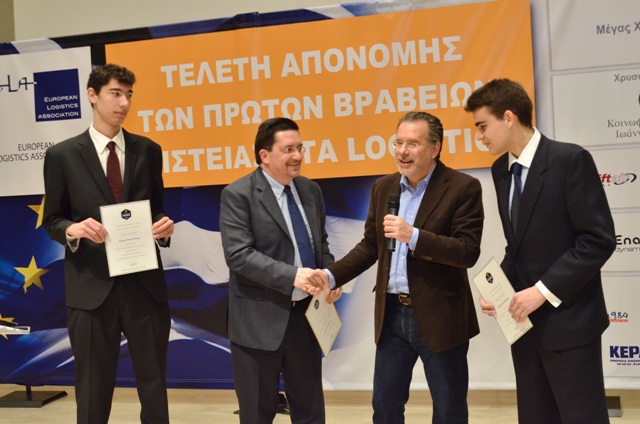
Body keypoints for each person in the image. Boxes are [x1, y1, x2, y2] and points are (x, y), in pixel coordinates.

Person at [465, 78, 616, 424]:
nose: (480, 136)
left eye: (482, 126)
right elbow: (518, 246)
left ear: (508, 117)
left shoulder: (569, 159)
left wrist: (542, 292)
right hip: (524, 327)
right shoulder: (501, 170)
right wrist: (498, 288)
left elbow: (597, 240)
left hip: (571, 324)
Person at [322, 111, 484, 424]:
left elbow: (467, 251)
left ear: (435, 148)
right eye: (398, 142)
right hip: (392, 315)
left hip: (440, 316)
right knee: (384, 408)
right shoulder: (384, 188)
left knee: (449, 411)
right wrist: (331, 276)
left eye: (412, 144)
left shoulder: (462, 187)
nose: (402, 151)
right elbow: (371, 245)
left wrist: (414, 236)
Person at [42, 64, 174, 424]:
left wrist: (163, 228)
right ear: (92, 95)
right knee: (92, 390)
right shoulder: (63, 155)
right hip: (91, 287)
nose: (124, 103)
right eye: (115, 93)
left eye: (129, 95)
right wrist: (74, 229)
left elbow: (157, 209)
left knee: (154, 385)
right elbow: (52, 220)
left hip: (144, 285)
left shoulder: (148, 150)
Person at [219, 117, 341, 424]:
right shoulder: (238, 194)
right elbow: (239, 255)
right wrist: (292, 276)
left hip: (306, 319)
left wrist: (330, 275)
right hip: (259, 324)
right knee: (257, 414)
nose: (297, 156)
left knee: (310, 413)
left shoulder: (310, 190)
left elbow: (320, 243)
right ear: (265, 155)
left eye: (300, 148)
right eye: (288, 149)